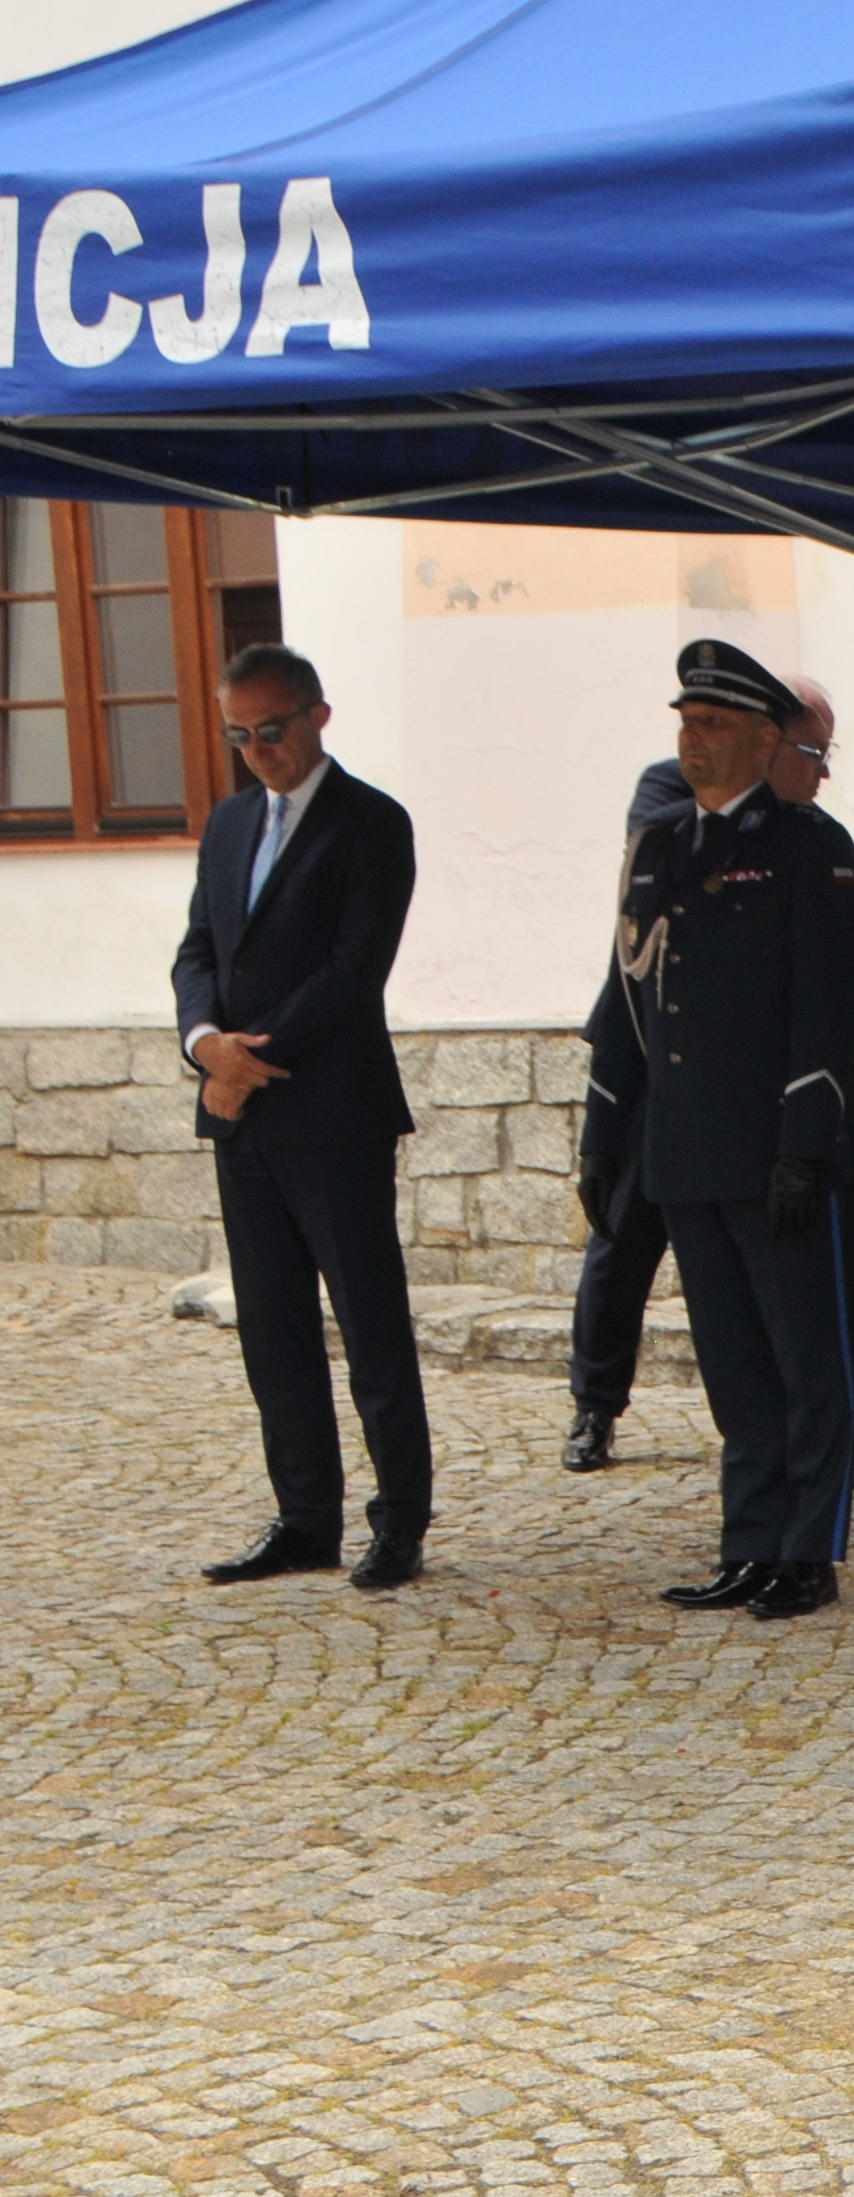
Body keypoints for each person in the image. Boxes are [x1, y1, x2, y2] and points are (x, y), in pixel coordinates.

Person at [584, 639, 854, 1620]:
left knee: (805, 1357)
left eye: (713, 724)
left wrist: (805, 1140)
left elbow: (826, 1008)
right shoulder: (660, 846)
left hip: (774, 1148)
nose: (693, 739)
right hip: (683, 1147)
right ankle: (750, 1541)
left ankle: (808, 1549)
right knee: (734, 1363)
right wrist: (604, 1134)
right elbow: (628, 999)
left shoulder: (808, 846)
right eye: (686, 722)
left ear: (764, 739)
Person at [174, 642, 433, 1591]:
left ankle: (399, 1519)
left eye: (272, 730)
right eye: (238, 735)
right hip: (240, 1116)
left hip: (333, 1113)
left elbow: (353, 970)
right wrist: (207, 1044)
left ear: (318, 716)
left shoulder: (372, 823)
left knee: (368, 1323)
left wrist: (248, 1063)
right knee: (273, 1328)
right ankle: (304, 1517)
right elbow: (198, 950)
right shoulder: (229, 822)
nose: (257, 750)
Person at [557, 752, 715, 1475]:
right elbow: (658, 841)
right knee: (621, 1243)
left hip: (732, 1069)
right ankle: (594, 1405)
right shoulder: (667, 784)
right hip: (647, 1050)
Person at [769, 684, 854, 1497]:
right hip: (742, 1106)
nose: (823, 775)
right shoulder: (697, 837)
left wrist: (834, 1063)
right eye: (814, 755)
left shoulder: (827, 843)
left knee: (843, 1274)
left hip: (819, 1095)